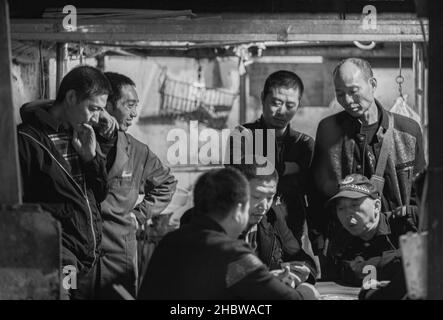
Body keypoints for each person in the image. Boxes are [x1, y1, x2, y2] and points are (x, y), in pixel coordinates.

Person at [138, 168, 319, 300]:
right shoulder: (231, 252)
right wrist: (307, 292)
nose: (263, 206)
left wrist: (266, 280)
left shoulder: (171, 240)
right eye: (254, 198)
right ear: (239, 208)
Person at [309, 58, 426, 258]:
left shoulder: (408, 130)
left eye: (353, 91)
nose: (347, 100)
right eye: (340, 93)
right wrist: (321, 247)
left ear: (372, 84)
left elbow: (421, 194)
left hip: (398, 246)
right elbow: (316, 194)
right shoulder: (328, 130)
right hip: (345, 248)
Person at [17, 65, 110, 299]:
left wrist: (90, 159)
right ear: (70, 97)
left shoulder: (83, 134)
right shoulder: (26, 140)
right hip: (57, 255)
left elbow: (99, 193)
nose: (97, 117)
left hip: (85, 255)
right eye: (93, 108)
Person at [95, 72, 177, 299]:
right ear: (106, 104)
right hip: (79, 256)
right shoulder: (78, 141)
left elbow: (167, 183)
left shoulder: (137, 151)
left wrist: (138, 215)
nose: (134, 113)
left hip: (119, 255)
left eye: (136, 106)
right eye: (128, 105)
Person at [231, 70, 314, 243]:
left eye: (290, 106)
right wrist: (286, 168)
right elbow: (238, 178)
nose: (282, 111)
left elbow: (311, 189)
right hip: (249, 230)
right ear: (263, 97)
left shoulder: (304, 143)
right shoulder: (243, 134)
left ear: (298, 104)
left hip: (292, 230)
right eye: (276, 103)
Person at [326, 173, 418, 287]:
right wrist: (401, 256)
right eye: (341, 208)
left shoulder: (409, 220)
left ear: (376, 206)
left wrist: (368, 265)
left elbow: (425, 257)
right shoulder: (341, 243)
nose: (347, 214)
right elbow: (349, 276)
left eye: (355, 205)